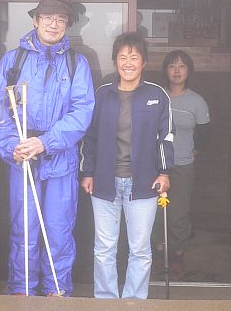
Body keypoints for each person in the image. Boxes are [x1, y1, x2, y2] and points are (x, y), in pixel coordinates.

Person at [0, 0, 95, 296]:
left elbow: (81, 112)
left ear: (68, 26)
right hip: (22, 159)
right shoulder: (13, 60)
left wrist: (44, 143)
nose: (54, 24)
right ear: (36, 20)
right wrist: (14, 147)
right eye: (48, 18)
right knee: (24, 231)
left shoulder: (78, 63)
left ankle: (56, 294)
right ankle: (21, 292)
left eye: (61, 19)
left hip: (60, 161)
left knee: (59, 233)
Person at [81, 31, 174, 299]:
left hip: (143, 183)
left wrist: (164, 172)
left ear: (144, 62)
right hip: (105, 182)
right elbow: (90, 136)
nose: (128, 62)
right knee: (104, 248)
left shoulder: (157, 95)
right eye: (123, 57)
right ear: (115, 61)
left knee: (140, 249)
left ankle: (134, 302)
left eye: (134, 57)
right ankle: (106, 300)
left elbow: (166, 137)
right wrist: (87, 172)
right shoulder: (102, 95)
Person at [153, 50, 210, 279]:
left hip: (183, 165)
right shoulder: (157, 95)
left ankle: (176, 256)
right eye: (172, 66)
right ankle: (159, 255)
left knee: (178, 214)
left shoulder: (196, 101)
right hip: (157, 165)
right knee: (156, 210)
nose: (177, 71)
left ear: (188, 71)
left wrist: (194, 151)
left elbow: (205, 133)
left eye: (182, 66)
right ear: (165, 70)